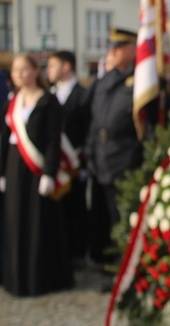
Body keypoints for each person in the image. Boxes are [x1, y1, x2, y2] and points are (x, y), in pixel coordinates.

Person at [0, 54, 74, 296]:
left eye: (24, 70)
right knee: (14, 221)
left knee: (37, 224)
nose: (19, 75)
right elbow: (3, 140)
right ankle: (14, 276)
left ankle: (38, 278)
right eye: (15, 71)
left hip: (37, 171)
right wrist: (1, 172)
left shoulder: (48, 102)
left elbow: (53, 140)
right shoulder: (12, 102)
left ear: (35, 71)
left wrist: (49, 173)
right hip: (13, 167)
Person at [85, 27, 142, 273]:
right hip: (102, 158)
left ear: (132, 49)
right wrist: (89, 152)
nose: (113, 52)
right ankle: (116, 267)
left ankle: (129, 271)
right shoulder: (105, 80)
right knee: (110, 218)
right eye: (112, 48)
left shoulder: (141, 78)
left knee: (126, 217)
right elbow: (93, 118)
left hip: (127, 158)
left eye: (119, 47)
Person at [47, 50, 91, 269]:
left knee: (76, 209)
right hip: (57, 163)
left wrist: (85, 164)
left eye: (52, 65)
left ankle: (78, 252)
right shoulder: (49, 95)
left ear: (66, 67)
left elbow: (87, 129)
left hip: (77, 162)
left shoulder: (83, 94)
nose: (49, 70)